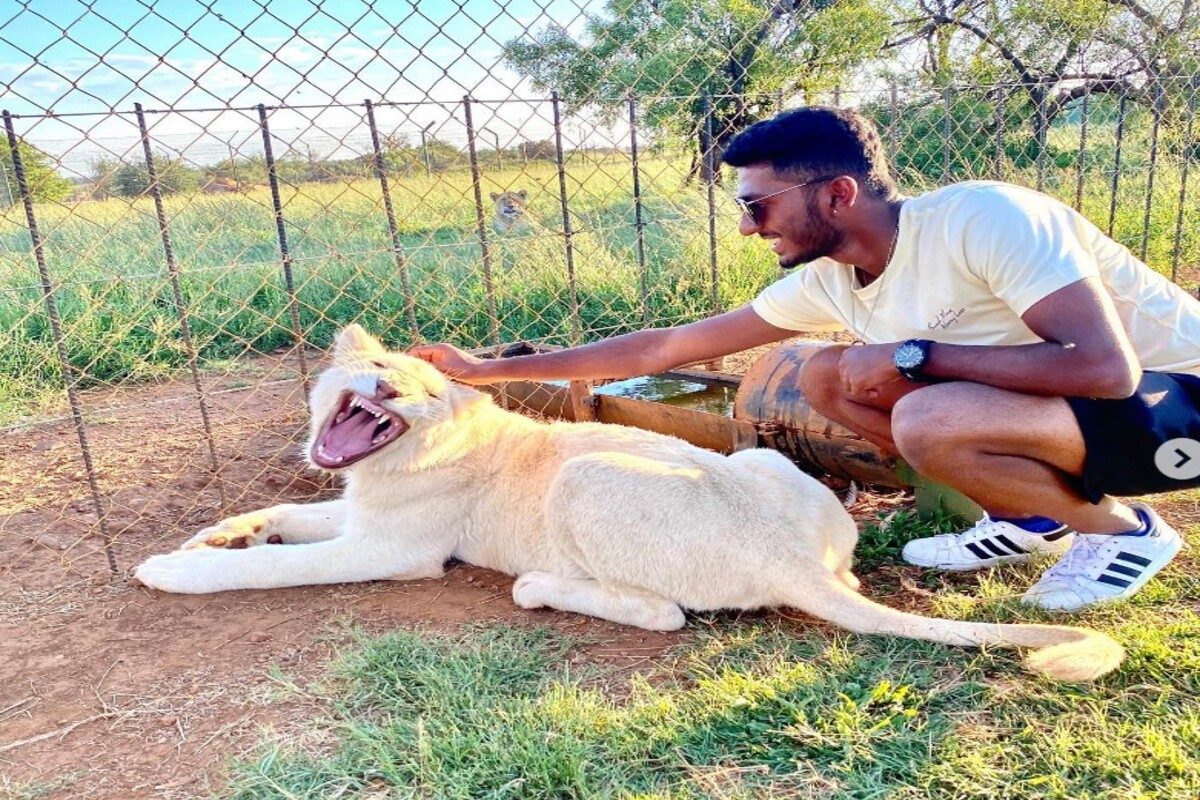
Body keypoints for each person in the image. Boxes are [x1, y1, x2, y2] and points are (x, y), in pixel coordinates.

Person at [410, 106, 1200, 612]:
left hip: (1180, 402)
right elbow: (668, 347)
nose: (750, 228)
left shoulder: (984, 217)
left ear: (838, 195)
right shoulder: (835, 278)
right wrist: (489, 370)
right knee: (825, 373)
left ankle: (1126, 531)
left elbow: (1106, 370)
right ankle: (1035, 517)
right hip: (1090, 417)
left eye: (758, 206)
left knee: (925, 406)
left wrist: (914, 354)